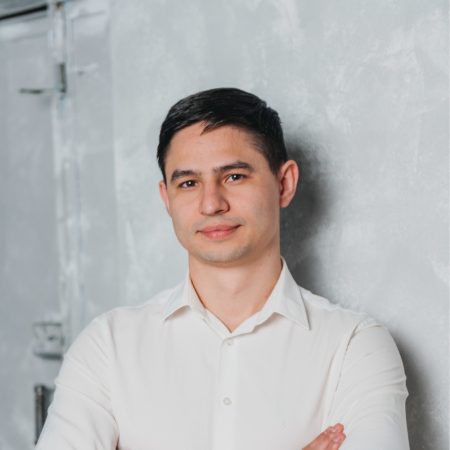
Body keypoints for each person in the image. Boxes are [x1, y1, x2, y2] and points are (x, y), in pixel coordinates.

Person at [36, 88, 409, 450]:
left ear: (284, 183)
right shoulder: (107, 346)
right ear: (167, 198)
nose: (211, 204)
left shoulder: (354, 345)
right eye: (188, 183)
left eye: (234, 177)